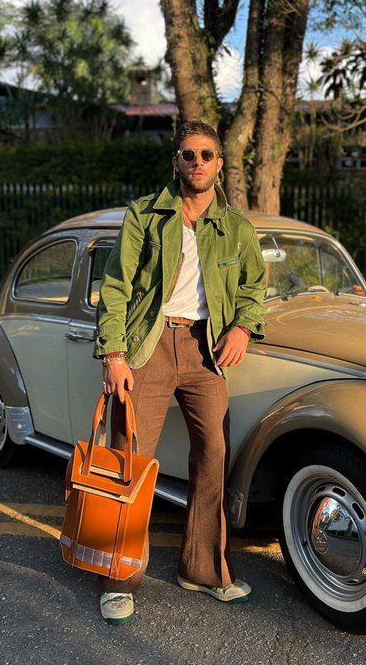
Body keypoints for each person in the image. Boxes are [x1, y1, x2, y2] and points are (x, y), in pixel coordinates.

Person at [93, 120, 267, 624]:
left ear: (219, 163)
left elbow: (255, 286)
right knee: (131, 459)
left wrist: (243, 329)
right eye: (188, 155)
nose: (197, 163)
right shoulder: (145, 215)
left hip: (205, 351)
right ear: (176, 161)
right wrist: (114, 354)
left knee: (213, 454)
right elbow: (117, 287)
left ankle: (204, 570)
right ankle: (118, 576)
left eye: (206, 155)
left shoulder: (235, 227)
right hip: (147, 345)